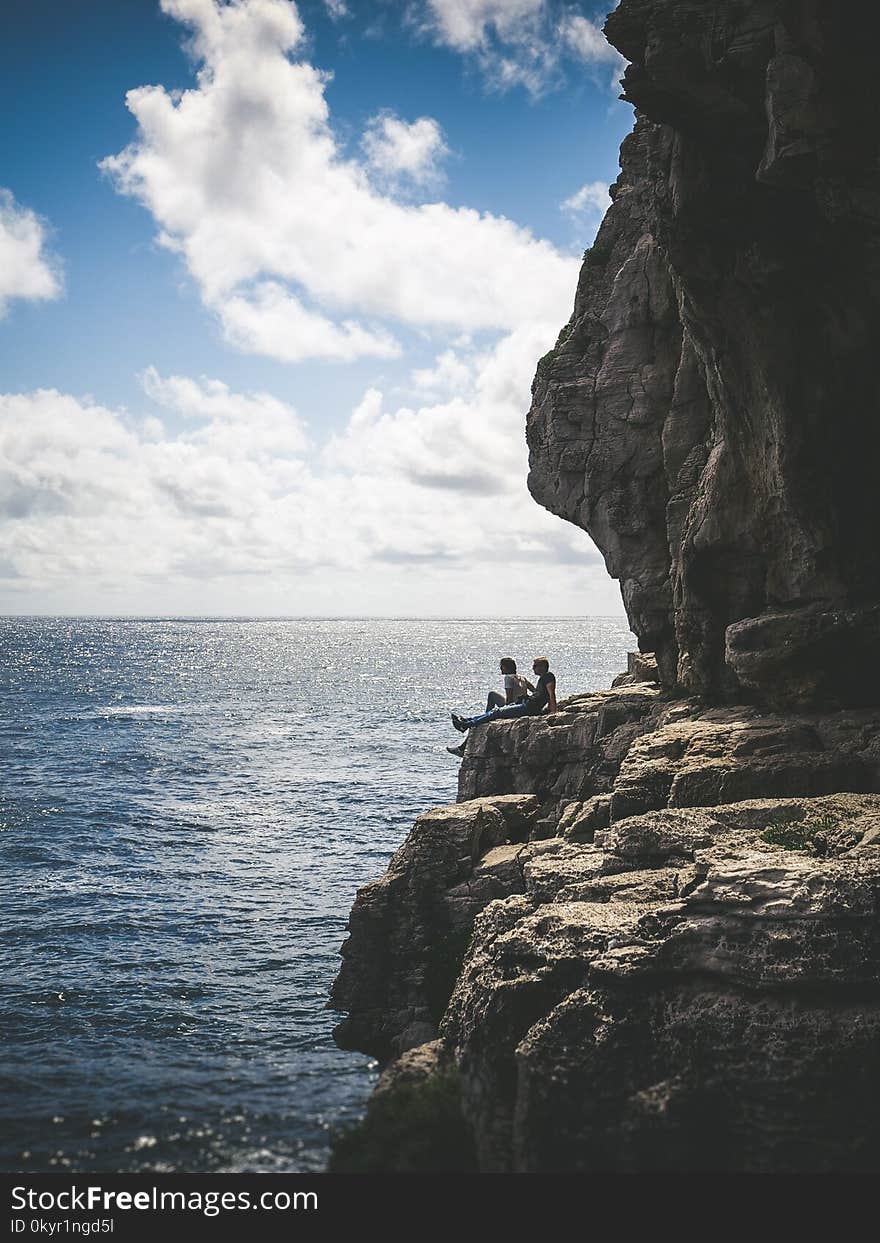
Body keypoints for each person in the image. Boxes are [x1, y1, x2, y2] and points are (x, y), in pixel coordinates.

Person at [447, 657, 557, 754]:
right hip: (525, 704)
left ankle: (467, 724)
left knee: (496, 711)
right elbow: (536, 692)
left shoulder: (548, 676)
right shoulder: (535, 678)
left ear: (542, 666)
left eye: (535, 666)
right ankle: (467, 721)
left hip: (528, 708)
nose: (533, 668)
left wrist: (553, 712)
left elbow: (551, 694)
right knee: (495, 712)